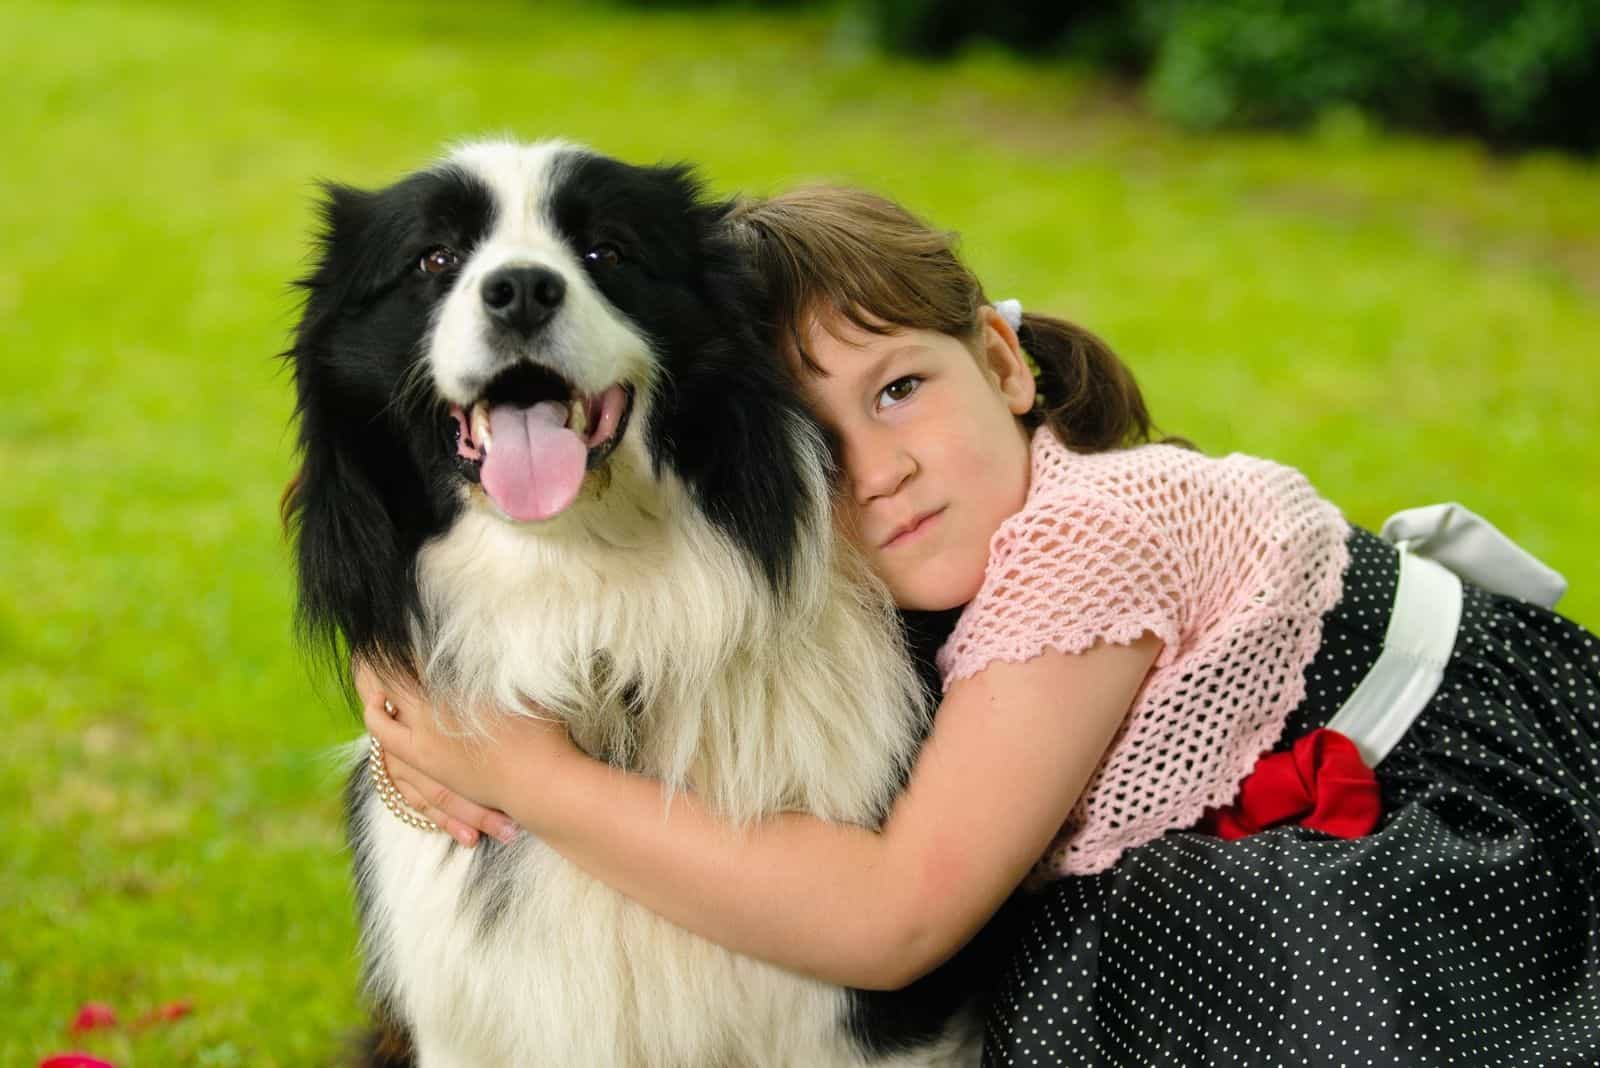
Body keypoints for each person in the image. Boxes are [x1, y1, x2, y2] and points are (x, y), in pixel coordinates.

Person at [357, 185, 1600, 1065]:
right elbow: (588, 603)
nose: (880, 472)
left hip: (1460, 859)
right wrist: (401, 674)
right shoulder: (885, 587)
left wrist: (529, 776)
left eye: (899, 390)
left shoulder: (1097, 533)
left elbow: (889, 919)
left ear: (1004, 363)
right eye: (819, 451)